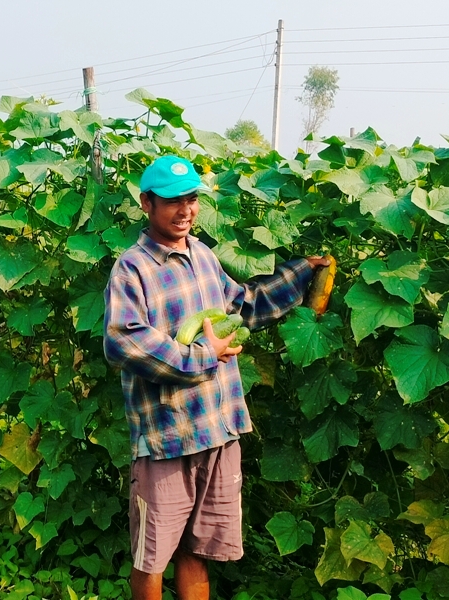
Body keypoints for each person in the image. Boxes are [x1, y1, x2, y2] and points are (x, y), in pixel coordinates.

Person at [103, 154, 332, 600]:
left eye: (191, 199)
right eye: (172, 201)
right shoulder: (132, 269)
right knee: (151, 558)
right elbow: (123, 341)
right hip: (166, 435)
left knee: (198, 551)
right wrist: (201, 356)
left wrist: (300, 274)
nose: (185, 209)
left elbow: (242, 306)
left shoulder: (205, 256)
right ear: (147, 204)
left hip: (218, 427)